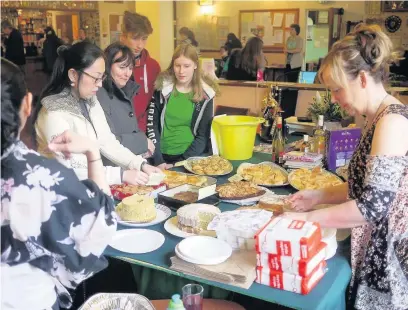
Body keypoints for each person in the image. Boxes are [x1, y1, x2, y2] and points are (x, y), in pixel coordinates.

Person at [286, 24, 408, 310]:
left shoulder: (392, 122)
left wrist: (305, 221)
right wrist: (318, 195)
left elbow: (372, 207)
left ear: (363, 79)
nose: (336, 99)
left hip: (389, 259)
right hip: (373, 248)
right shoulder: (375, 118)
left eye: (337, 89)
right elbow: (363, 186)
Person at [1, 58, 117, 310]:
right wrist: (92, 152)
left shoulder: (93, 103)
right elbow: (98, 226)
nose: (99, 83)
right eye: (95, 76)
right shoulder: (39, 178)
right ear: (27, 105)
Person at [35, 41, 161, 185]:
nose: (100, 84)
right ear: (73, 75)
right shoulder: (53, 112)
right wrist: (120, 175)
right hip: (61, 192)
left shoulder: (90, 100)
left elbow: (106, 141)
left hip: (89, 187)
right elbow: (73, 167)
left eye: (102, 78)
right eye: (96, 78)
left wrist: (140, 164)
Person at [148, 43, 219, 167]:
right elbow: (151, 125)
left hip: (189, 159)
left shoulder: (206, 95)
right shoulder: (162, 89)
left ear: (195, 65)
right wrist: (158, 160)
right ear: (173, 65)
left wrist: (178, 163)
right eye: (177, 65)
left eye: (186, 66)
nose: (181, 71)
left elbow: (202, 137)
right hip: (159, 157)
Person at [97, 42, 155, 166]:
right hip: (112, 171)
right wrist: (143, 142)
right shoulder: (100, 95)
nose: (127, 73)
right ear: (107, 66)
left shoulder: (125, 91)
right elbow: (106, 142)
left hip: (128, 166)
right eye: (122, 67)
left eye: (130, 68)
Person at [121, 11, 161, 133]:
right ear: (123, 37)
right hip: (117, 132)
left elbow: (154, 106)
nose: (140, 45)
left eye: (144, 39)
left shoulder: (153, 66)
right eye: (135, 38)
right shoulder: (110, 64)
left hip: (144, 131)